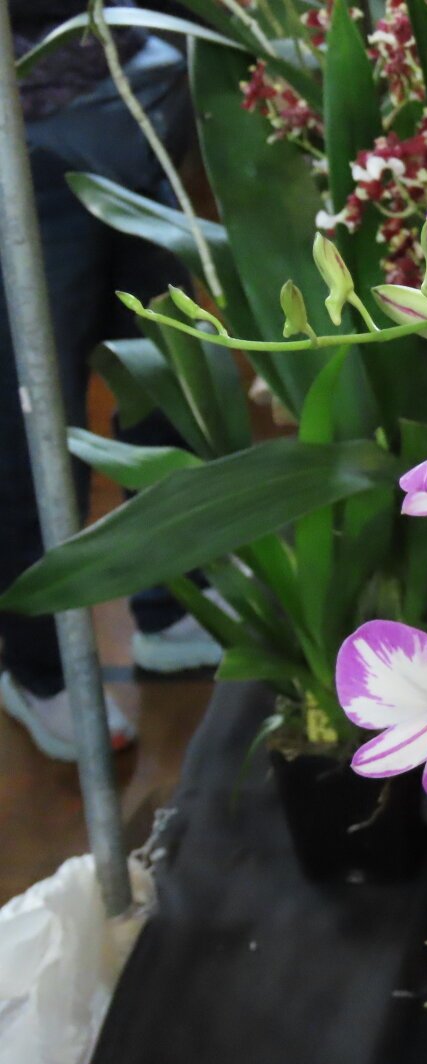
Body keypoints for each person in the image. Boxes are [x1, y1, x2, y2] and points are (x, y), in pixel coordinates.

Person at [0, 1, 221, 762]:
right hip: (17, 123)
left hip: (121, 82)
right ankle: (40, 665)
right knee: (31, 416)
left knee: (162, 370)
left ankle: (173, 597)